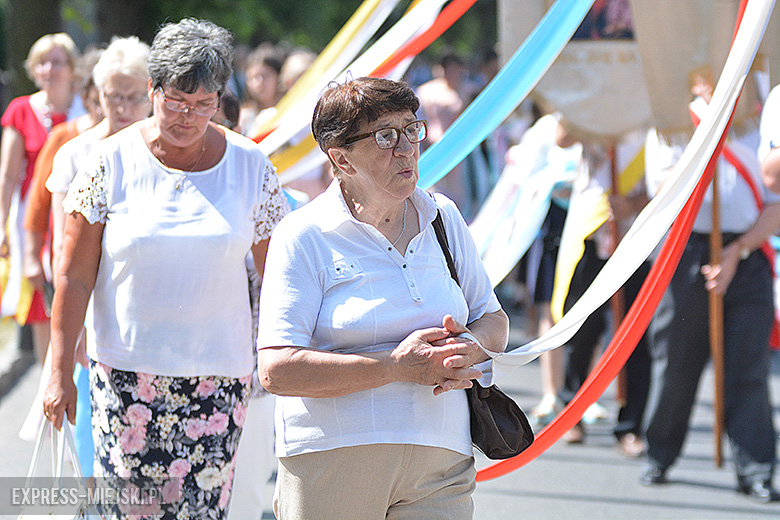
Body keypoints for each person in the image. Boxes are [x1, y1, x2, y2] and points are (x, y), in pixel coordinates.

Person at [41, 19, 289, 518]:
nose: (187, 116)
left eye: (203, 104)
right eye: (175, 101)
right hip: (125, 379)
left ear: (220, 100)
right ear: (152, 89)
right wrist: (59, 370)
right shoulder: (107, 162)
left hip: (218, 381)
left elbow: (279, 277)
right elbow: (74, 275)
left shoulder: (251, 166)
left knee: (202, 511)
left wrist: (287, 358)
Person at [257, 76, 508, 520]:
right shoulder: (303, 235)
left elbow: (493, 319)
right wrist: (395, 367)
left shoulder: (443, 217)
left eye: (412, 129)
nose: (407, 148)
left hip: (441, 459)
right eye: (385, 137)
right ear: (341, 158)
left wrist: (468, 347)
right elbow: (277, 369)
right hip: (334, 459)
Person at [640, 82, 780, 502]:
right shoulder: (671, 123)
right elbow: (663, 192)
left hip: (747, 249)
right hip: (688, 250)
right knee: (676, 359)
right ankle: (659, 454)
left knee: (748, 365)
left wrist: (740, 250)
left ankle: (756, 468)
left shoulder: (762, 123)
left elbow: (775, 200)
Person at [555, 135, 652, 459]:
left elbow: (671, 182)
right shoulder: (594, 116)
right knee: (582, 333)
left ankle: (630, 426)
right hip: (592, 238)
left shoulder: (656, 124)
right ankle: (571, 413)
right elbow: (563, 136)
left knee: (634, 339)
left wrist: (633, 205)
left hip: (637, 244)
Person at [0, 33, 80, 363]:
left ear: (72, 68)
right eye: (42, 63)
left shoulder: (87, 109)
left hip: (75, 216)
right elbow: (7, 176)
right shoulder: (21, 110)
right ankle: (48, 381)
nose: (49, 69)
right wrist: (2, 226)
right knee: (42, 305)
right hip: (34, 221)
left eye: (57, 62)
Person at [239, 43, 283, 138]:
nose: (259, 83)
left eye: (265, 76)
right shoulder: (244, 118)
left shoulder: (288, 110)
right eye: (254, 77)